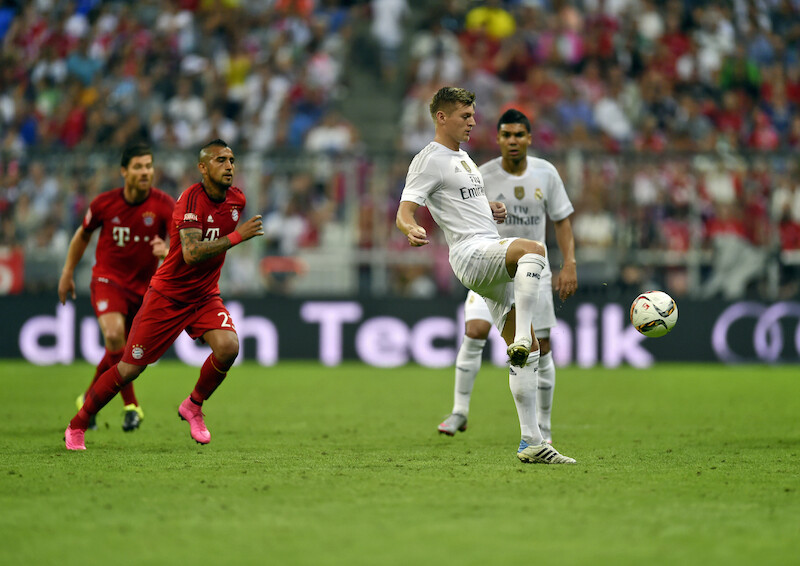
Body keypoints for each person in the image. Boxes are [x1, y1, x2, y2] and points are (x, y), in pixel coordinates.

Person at [396, 87, 575, 465]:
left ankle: (531, 442)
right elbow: (406, 208)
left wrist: (488, 208)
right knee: (534, 251)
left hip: (486, 248)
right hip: (470, 253)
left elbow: (461, 204)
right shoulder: (429, 159)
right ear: (441, 117)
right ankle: (523, 334)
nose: (473, 122)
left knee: (529, 357)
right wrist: (409, 228)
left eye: (474, 115)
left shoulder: (462, 158)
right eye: (465, 116)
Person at [64, 139, 264, 450]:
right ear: (202, 167)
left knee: (228, 347)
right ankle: (78, 423)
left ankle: (193, 405)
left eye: (232, 160)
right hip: (167, 296)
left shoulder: (237, 201)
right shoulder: (188, 201)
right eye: (221, 160)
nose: (229, 166)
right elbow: (192, 252)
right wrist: (238, 236)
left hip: (204, 296)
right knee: (129, 368)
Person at [436, 109, 577, 445]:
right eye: (506, 135)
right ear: (497, 139)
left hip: (534, 272)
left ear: (529, 138)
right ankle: (459, 409)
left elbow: (562, 220)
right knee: (475, 330)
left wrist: (569, 263)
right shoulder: (480, 176)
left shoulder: (546, 173)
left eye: (519, 135)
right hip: (493, 264)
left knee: (541, 347)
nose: (512, 141)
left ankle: (543, 428)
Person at [58, 142, 175, 432]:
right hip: (108, 280)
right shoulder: (104, 204)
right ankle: (131, 405)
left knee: (121, 349)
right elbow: (82, 236)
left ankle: (88, 400)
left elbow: (184, 244)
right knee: (113, 336)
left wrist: (167, 250)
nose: (145, 171)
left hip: (145, 288)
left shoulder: (164, 205)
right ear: (124, 171)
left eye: (149, 165)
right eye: (138, 166)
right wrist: (68, 271)